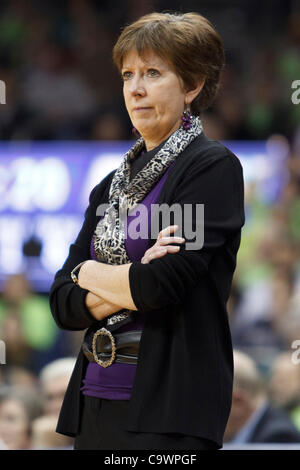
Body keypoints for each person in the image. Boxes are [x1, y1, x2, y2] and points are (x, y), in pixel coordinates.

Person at [49, 12, 245, 450]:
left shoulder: (211, 169)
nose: (135, 88)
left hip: (171, 410)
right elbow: (62, 301)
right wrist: (116, 274)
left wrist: (87, 272)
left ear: (192, 85)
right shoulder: (109, 185)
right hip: (94, 400)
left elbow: (161, 285)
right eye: (128, 75)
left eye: (153, 73)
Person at [224, 350, 300, 445]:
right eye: (274, 377)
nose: (275, 385)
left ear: (239, 402)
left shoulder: (278, 437)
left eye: (284, 381)